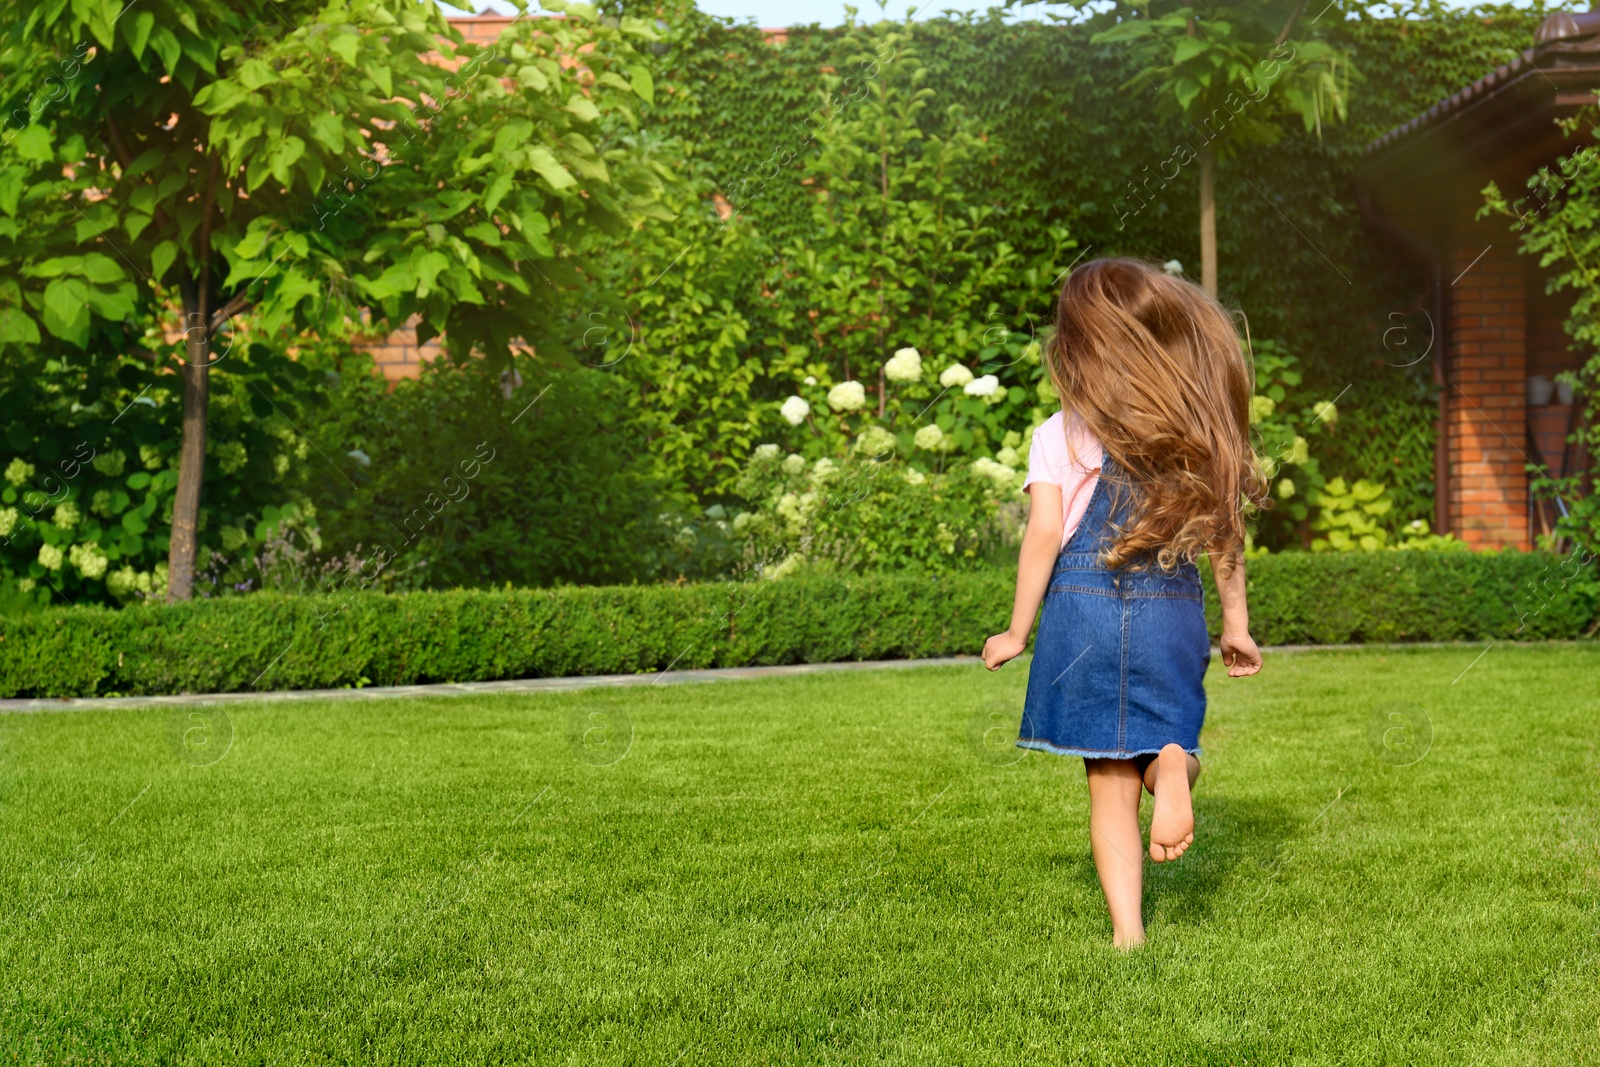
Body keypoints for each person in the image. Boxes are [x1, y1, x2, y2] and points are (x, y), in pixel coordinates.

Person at [982, 257, 1266, 949]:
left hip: (1083, 612)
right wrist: (1236, 623)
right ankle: (1170, 765)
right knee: (1172, 736)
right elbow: (1225, 535)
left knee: (1105, 779)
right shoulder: (1187, 431)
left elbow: (1045, 534)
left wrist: (1017, 629)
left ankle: (1128, 934)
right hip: (1169, 605)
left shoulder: (1058, 433)